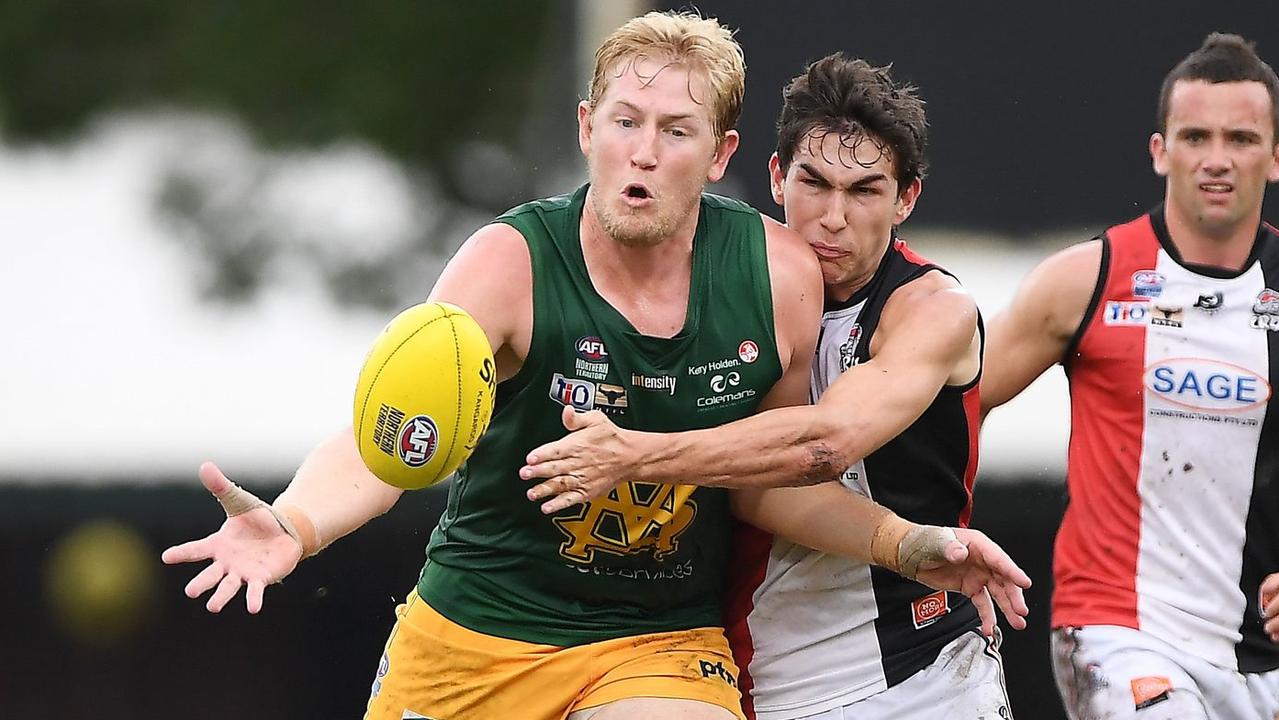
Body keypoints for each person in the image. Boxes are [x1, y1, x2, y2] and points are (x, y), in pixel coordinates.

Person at [161, 12, 1028, 720]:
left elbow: (772, 478)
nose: (643, 152)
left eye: (675, 131)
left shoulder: (775, 273)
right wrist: (295, 524)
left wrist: (904, 544)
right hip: (476, 629)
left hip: (654, 645)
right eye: (625, 122)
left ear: (720, 155)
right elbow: (392, 435)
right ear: (588, 129)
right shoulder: (507, 262)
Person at [521, 53, 1026, 719]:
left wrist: (632, 455)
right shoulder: (714, 291)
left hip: (920, 671)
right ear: (775, 178)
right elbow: (757, 493)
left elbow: (822, 446)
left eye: (865, 191)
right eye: (812, 183)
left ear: (906, 200)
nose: (832, 218)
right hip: (753, 677)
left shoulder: (930, 309)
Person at [980, 33, 1279, 720]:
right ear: (1158, 150)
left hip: (1258, 652)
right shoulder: (1084, 279)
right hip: (1121, 632)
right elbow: (955, 403)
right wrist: (936, 541)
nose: (1214, 160)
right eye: (1194, 136)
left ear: (1272, 157)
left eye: (1239, 139)